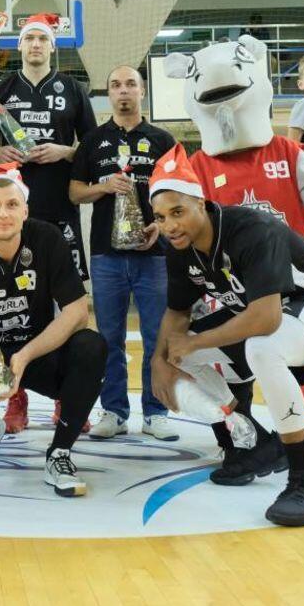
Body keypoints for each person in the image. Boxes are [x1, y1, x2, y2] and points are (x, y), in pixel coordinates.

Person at [149, 144, 304, 526]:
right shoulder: (179, 248)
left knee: (263, 347)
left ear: (201, 202)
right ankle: (256, 444)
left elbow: (265, 318)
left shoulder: (251, 229)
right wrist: (159, 360)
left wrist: (195, 341)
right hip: (269, 311)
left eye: (177, 212)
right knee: (179, 355)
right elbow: (178, 312)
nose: (170, 226)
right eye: (161, 217)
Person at [0, 164, 107, 497]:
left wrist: (25, 356)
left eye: (12, 204)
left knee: (91, 346)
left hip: (34, 354)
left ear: (25, 210)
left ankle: (60, 452)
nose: (3, 213)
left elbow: (77, 312)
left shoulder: (48, 240)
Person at [0, 13, 97, 433]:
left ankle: (66, 397)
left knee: (68, 307)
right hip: (11, 214)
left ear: (53, 46)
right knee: (11, 306)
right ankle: (15, 396)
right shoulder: (2, 90)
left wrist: (64, 151)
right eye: (29, 38)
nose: (35, 44)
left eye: (42, 39)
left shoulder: (73, 89)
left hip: (60, 212)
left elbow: (93, 146)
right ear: (19, 46)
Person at [69, 65, 177, 441]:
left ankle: (156, 411)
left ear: (142, 91)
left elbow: (180, 194)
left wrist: (160, 226)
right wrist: (103, 186)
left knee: (156, 336)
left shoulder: (163, 140)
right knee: (109, 338)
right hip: (106, 255)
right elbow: (74, 192)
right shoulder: (93, 140)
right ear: (109, 94)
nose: (123, 90)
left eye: (131, 84)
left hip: (155, 254)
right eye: (116, 85)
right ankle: (114, 411)